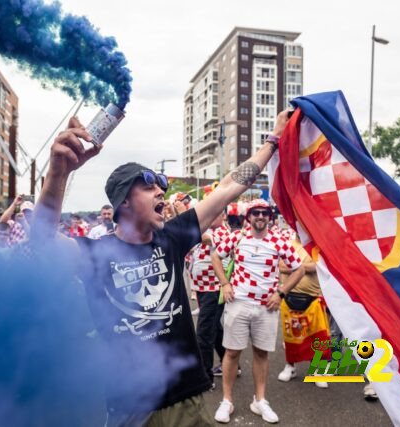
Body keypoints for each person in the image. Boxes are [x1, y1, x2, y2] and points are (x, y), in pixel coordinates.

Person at [31, 109, 292, 426]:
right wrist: (58, 173)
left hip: (186, 398)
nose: (161, 191)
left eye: (162, 184)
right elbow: (42, 239)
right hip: (132, 407)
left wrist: (273, 140)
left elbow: (227, 188)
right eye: (149, 185)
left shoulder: (171, 237)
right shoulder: (96, 253)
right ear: (123, 202)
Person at [211, 199, 305, 424]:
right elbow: (215, 256)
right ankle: (227, 400)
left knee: (261, 353)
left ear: (270, 217)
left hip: (267, 307)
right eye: (256, 213)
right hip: (239, 303)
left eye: (265, 213)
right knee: (232, 353)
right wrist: (225, 283)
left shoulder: (280, 241)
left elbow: (299, 269)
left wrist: (281, 293)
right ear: (248, 217)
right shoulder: (237, 237)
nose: (260, 216)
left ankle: (260, 400)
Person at [277, 234, 329, 389]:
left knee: (317, 338)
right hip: (289, 297)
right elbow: (281, 266)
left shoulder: (317, 246)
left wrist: (295, 267)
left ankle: (317, 371)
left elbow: (317, 267)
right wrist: (304, 267)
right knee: (291, 336)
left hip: (313, 299)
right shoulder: (288, 244)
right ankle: (290, 366)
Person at [189, 210, 229, 389]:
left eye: (217, 214)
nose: (212, 216)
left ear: (224, 217)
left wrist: (187, 217)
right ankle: (229, 362)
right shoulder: (209, 232)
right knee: (215, 329)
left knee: (203, 333)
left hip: (214, 290)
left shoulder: (222, 233)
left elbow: (204, 238)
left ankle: (206, 378)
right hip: (203, 289)